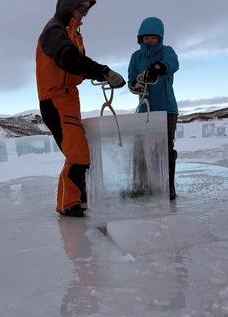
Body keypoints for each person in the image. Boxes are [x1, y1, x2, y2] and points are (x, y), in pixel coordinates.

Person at [36, 0, 126, 217]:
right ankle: (68, 204)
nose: (85, 13)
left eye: (88, 9)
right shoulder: (54, 31)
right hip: (55, 100)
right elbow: (69, 59)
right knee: (78, 154)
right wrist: (102, 71)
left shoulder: (73, 32)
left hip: (68, 100)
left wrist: (93, 73)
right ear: (69, 5)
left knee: (78, 153)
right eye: (82, 8)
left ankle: (76, 199)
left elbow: (76, 67)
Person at [128, 17, 179, 200]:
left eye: (153, 37)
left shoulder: (167, 51)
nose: (149, 41)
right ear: (140, 38)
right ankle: (140, 186)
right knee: (140, 149)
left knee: (165, 149)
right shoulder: (136, 57)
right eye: (145, 37)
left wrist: (158, 67)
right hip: (145, 111)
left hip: (166, 109)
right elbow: (131, 80)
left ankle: (168, 187)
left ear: (160, 38)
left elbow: (173, 64)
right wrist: (136, 85)